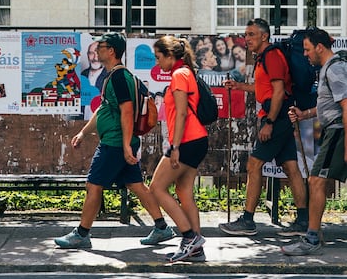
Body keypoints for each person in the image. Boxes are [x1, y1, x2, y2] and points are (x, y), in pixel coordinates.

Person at [54, 32, 175, 249]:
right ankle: (162, 228)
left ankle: (82, 234)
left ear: (111, 51)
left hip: (116, 143)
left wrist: (126, 144)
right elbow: (104, 108)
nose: (97, 49)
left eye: (101, 46)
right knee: (136, 185)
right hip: (121, 141)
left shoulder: (119, 77)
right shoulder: (115, 75)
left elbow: (127, 112)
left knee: (93, 185)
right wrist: (84, 132)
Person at [219, 18, 308, 237]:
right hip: (281, 116)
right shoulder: (264, 58)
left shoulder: (272, 56)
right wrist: (239, 86)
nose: (246, 39)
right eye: (246, 34)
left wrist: (269, 122)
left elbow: (278, 92)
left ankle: (248, 220)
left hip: (276, 117)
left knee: (254, 164)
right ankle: (304, 221)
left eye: (251, 34)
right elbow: (265, 89)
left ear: (264, 36)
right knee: (291, 167)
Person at [281, 28, 347, 256]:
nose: (306, 55)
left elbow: (346, 106)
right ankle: (313, 234)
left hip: (338, 131)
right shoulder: (328, 69)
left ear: (320, 47)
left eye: (308, 50)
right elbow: (328, 105)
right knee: (316, 180)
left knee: (316, 181)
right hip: (335, 130)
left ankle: (311, 238)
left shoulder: (335, 68)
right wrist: (304, 115)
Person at [149, 36, 208, 262]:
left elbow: (182, 112)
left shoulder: (179, 74)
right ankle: (196, 248)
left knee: (156, 188)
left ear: (170, 55)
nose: (157, 63)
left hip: (187, 141)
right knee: (184, 192)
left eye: (158, 57)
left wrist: (175, 147)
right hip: (194, 139)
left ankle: (190, 237)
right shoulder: (184, 73)